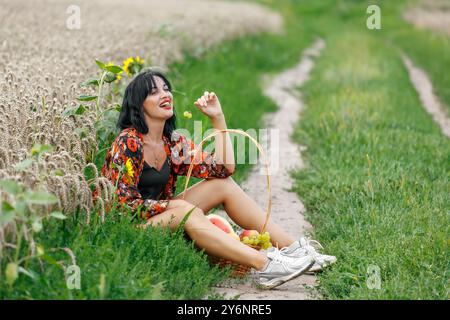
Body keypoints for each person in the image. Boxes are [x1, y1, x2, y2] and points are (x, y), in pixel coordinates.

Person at [99, 69, 336, 289]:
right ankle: (265, 265)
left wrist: (218, 118)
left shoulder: (171, 142)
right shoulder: (128, 142)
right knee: (182, 210)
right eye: (153, 92)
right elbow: (123, 205)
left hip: (161, 216)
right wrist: (173, 205)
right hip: (131, 227)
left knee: (222, 185)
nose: (165, 94)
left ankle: (293, 250)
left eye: (166, 88)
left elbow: (223, 169)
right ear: (138, 105)